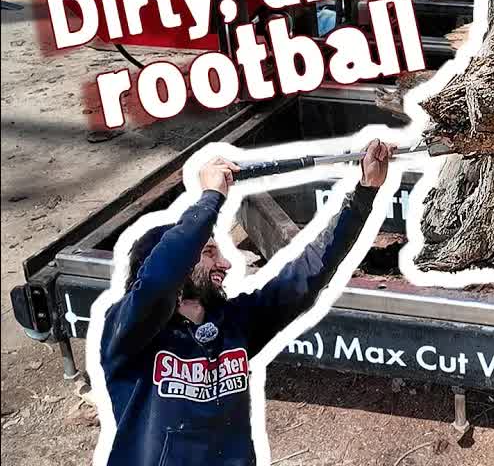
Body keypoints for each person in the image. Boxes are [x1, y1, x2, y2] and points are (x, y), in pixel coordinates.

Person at [99, 140, 395, 466]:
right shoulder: (129, 330)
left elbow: (308, 273)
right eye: (210, 252)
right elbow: (160, 277)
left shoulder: (235, 323)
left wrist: (364, 192)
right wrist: (210, 199)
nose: (226, 265)